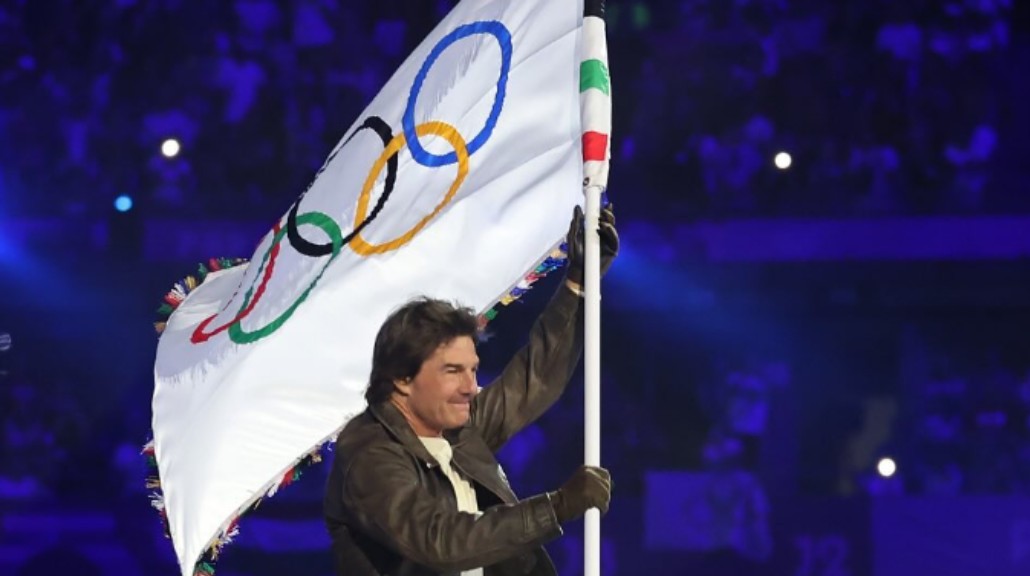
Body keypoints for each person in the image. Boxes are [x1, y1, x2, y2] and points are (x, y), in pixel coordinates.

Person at [324, 205, 620, 576]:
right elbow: (439, 541)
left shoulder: (457, 426)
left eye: (473, 370)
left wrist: (579, 282)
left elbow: (534, 378)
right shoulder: (370, 453)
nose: (471, 387)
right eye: (452, 371)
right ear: (401, 378)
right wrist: (556, 506)